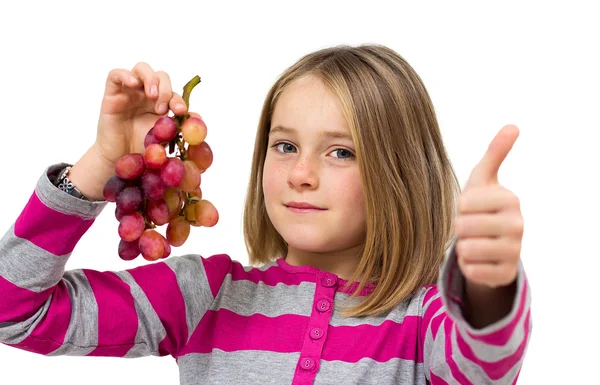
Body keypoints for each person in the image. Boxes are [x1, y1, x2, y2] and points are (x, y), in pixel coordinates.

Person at [0, 44, 531, 384]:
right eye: (284, 146)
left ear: (400, 173)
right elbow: (14, 312)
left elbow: (483, 365)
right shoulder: (205, 295)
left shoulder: (425, 321)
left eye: (340, 152)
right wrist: (98, 165)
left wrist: (488, 279)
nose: (302, 174)